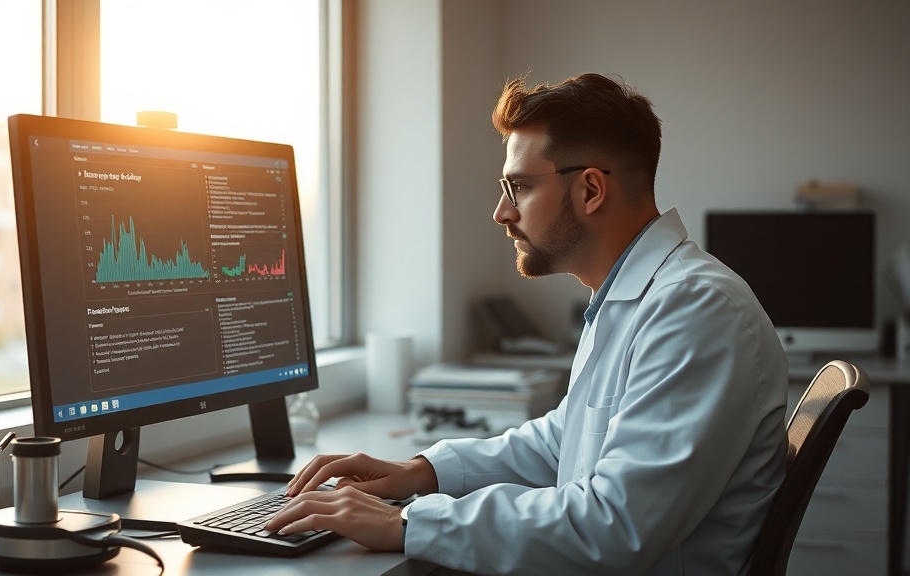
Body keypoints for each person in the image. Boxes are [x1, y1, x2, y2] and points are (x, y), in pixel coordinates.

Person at [265, 73, 789, 575]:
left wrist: (407, 520)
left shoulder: (695, 310)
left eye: (518, 187)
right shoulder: (632, 297)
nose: (501, 212)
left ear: (590, 190)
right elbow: (562, 442)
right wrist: (422, 471)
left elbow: (613, 528)